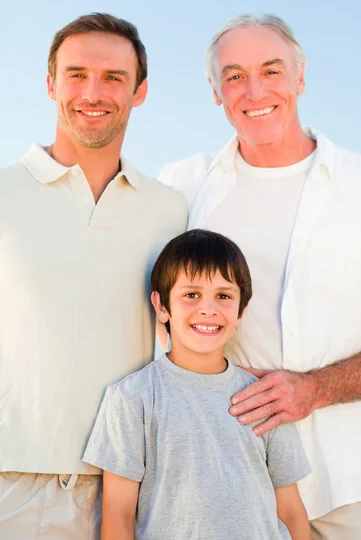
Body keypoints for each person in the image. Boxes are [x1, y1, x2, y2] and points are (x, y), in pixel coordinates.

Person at [158, 14, 361, 539]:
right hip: (218, 481)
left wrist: (315, 390)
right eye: (235, 76)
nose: (255, 91)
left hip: (339, 487)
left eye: (272, 71)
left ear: (301, 77)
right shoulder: (180, 187)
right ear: (215, 91)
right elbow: (154, 314)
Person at [0, 13, 187, 539]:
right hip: (17, 481)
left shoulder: (171, 209)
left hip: (133, 488)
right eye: (77, 74)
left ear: (140, 91)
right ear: (50, 83)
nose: (93, 92)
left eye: (113, 78)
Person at [83, 229, 312, 540]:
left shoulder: (264, 397)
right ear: (162, 306)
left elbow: (290, 511)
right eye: (191, 295)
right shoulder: (132, 399)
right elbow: (118, 515)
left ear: (241, 310)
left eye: (224, 296)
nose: (208, 309)